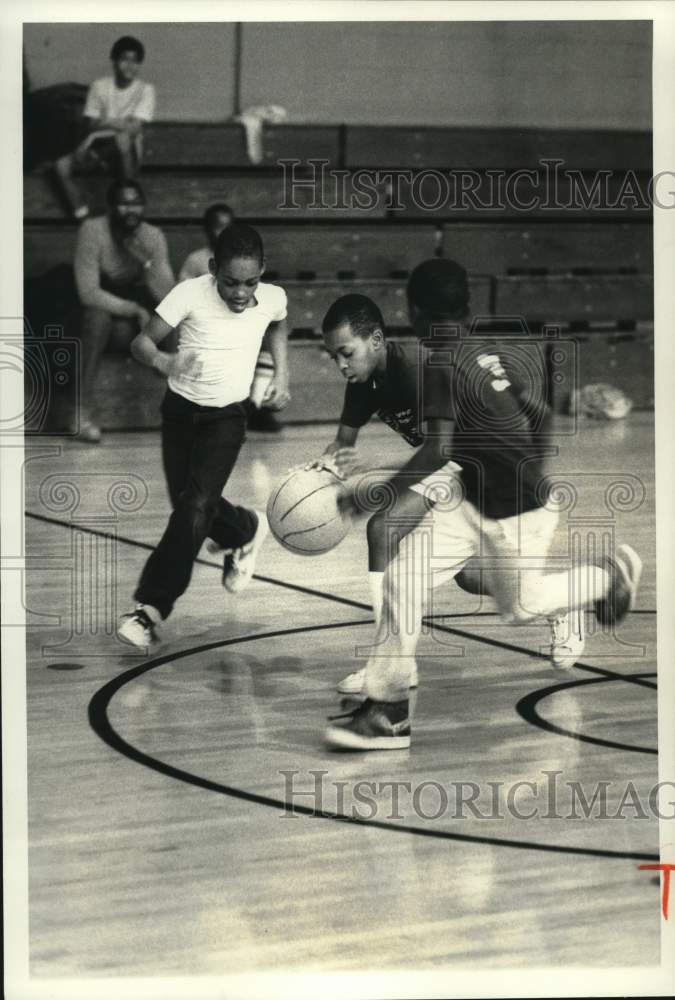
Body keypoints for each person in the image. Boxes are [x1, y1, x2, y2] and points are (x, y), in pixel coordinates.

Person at [318, 261, 641, 750]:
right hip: (478, 494)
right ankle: (387, 712)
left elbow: (437, 450)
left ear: (414, 312)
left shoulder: (441, 364)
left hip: (515, 506)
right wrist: (528, 466)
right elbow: (540, 413)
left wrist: (374, 493)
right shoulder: (488, 355)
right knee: (405, 575)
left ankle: (605, 578)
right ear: (469, 309)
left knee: (520, 608)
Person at [118, 222, 291, 648]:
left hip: (226, 418)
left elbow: (277, 325)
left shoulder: (271, 297)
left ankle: (150, 609)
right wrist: (162, 362)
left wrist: (283, 373)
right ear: (213, 269)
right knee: (189, 504)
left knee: (195, 506)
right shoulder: (189, 293)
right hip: (179, 412)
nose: (239, 292)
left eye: (250, 282)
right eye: (230, 282)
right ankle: (245, 529)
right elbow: (141, 343)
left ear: (263, 271)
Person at [73, 178, 175, 442]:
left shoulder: (152, 236)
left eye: (137, 203)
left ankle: (187, 410)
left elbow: (168, 297)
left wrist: (147, 262)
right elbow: (88, 293)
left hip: (135, 324)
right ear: (110, 207)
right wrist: (134, 310)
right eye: (123, 203)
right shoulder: (92, 230)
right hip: (101, 318)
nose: (131, 210)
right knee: (96, 319)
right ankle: (81, 414)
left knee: (177, 320)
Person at [54, 35, 155, 220]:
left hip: (127, 154)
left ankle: (126, 205)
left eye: (135, 61)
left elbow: (134, 129)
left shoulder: (146, 90)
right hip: (99, 147)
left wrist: (105, 123)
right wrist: (113, 126)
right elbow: (91, 124)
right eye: (124, 59)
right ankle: (81, 212)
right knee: (61, 165)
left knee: (122, 139)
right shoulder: (99, 87)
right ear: (114, 62)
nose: (129, 66)